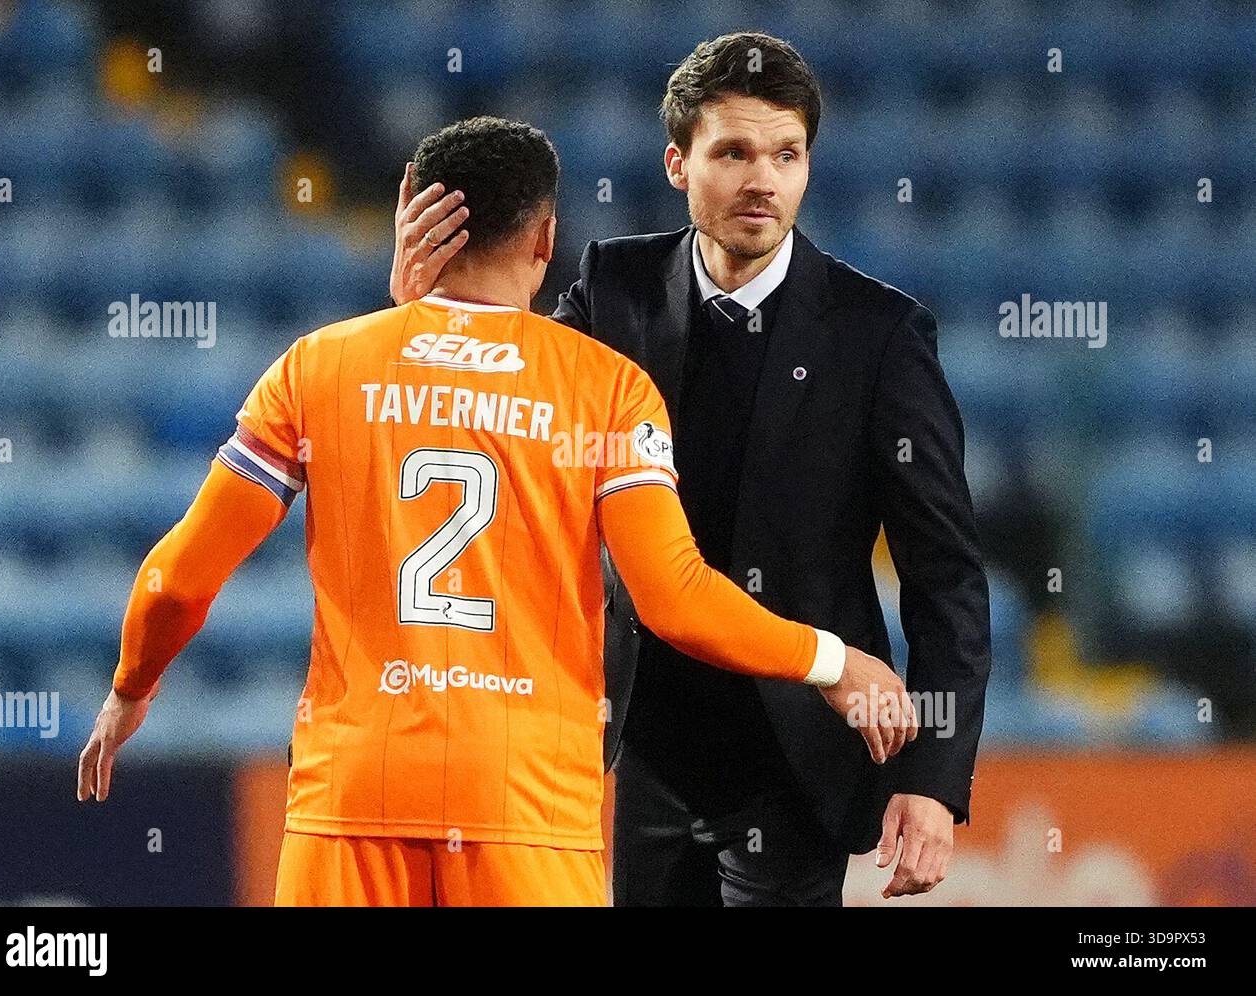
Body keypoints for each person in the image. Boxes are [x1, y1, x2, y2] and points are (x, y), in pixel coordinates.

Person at [77, 115, 914, 907]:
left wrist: (131, 687)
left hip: (354, 792)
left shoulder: (319, 367)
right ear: (547, 239)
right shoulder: (608, 390)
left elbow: (179, 576)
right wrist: (834, 661)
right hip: (528, 804)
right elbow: (674, 600)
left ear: (415, 213)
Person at [390, 33, 991, 906]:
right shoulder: (611, 288)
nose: (763, 180)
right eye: (734, 152)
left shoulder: (881, 336)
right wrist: (419, 321)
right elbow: (495, 427)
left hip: (797, 758)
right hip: (644, 747)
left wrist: (932, 780)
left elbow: (946, 576)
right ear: (678, 162)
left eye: (787, 155)